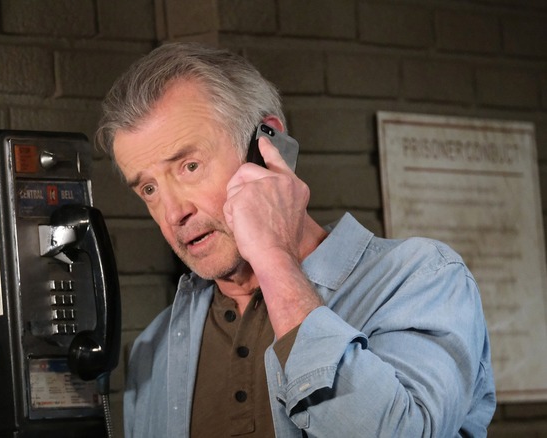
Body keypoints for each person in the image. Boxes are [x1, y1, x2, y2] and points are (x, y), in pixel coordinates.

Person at [95, 42, 495, 437]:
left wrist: (274, 258)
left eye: (190, 166)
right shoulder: (154, 348)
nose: (172, 213)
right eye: (149, 189)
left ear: (266, 146)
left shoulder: (422, 279)